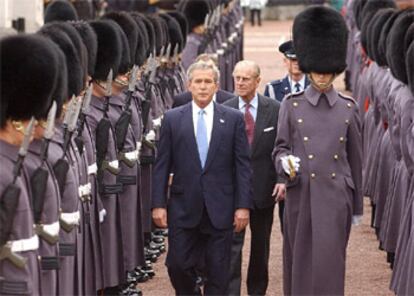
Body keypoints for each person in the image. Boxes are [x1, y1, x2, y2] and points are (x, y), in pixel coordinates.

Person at [272, 6, 363, 295]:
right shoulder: (291, 103)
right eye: (317, 72)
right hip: (301, 193)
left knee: (330, 263)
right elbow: (280, 147)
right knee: (299, 262)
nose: (322, 78)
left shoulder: (348, 108)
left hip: (336, 196)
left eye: (327, 73)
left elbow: (356, 161)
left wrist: (357, 206)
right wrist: (284, 163)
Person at [152, 61, 252, 295]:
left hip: (220, 208)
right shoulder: (173, 118)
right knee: (177, 265)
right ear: (189, 85)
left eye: (208, 82)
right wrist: (158, 205)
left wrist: (242, 206)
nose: (203, 87)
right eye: (198, 82)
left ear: (216, 86)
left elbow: (243, 166)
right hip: (183, 207)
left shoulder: (233, 118)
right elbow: (162, 165)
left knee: (219, 273)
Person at [224, 60, 280, 296]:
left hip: (263, 190)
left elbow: (281, 147)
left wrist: (282, 180)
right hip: (232, 191)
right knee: (232, 249)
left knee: (260, 248)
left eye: (246, 78)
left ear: (258, 81)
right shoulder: (224, 108)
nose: (240, 82)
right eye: (237, 78)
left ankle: (257, 291)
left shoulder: (275, 109)